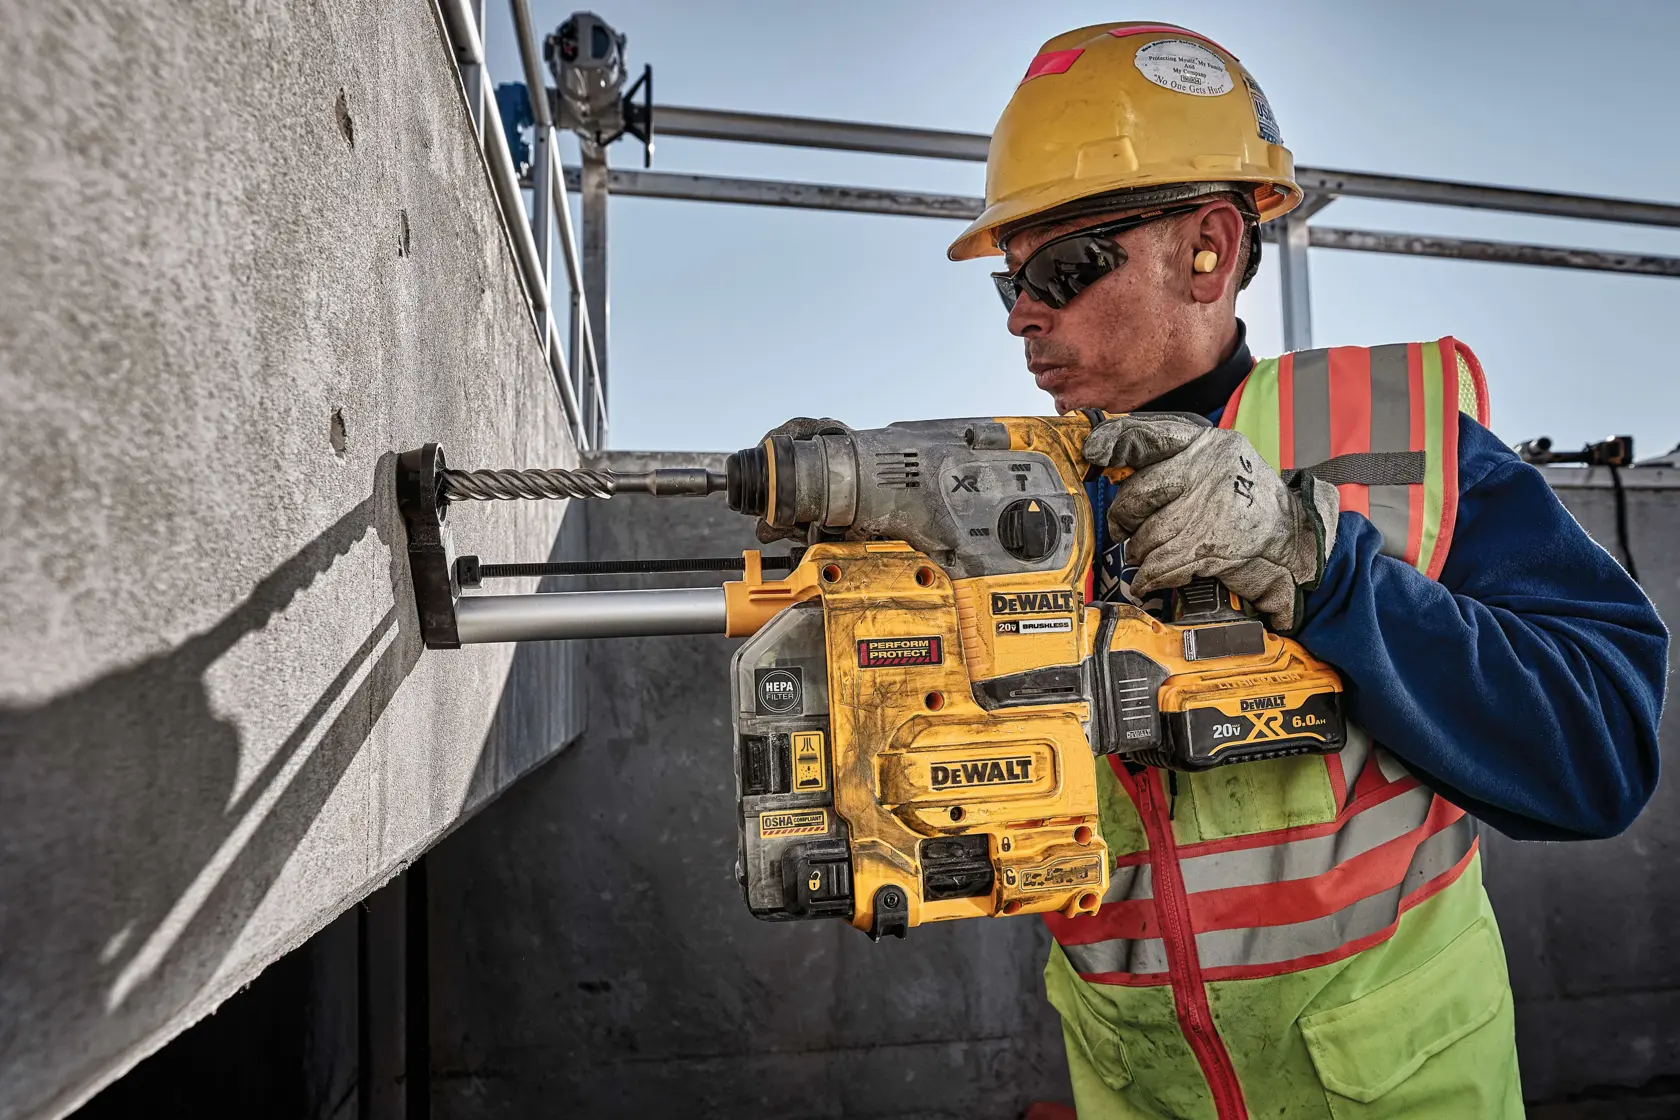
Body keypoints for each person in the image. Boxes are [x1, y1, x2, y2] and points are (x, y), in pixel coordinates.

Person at [935, 22, 1667, 1119]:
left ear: (1210, 249)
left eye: (1058, 265)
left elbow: (1600, 751)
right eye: (1009, 285)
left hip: (1398, 1090)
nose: (1025, 313)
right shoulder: (1011, 512)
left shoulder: (1399, 444)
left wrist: (1321, 568)